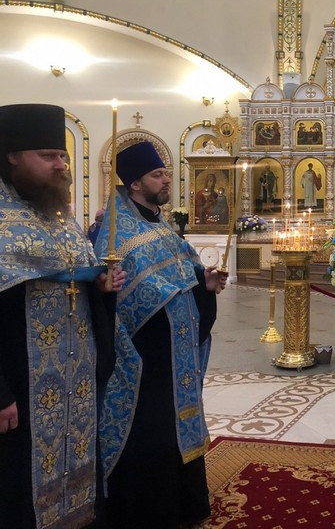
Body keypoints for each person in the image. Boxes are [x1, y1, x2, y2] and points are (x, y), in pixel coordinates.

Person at [0, 103, 123, 529]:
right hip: (18, 385)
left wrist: (101, 289)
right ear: (12, 156)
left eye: (62, 155)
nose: (60, 164)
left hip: (75, 381)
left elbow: (80, 282)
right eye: (48, 155)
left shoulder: (61, 219)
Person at [94, 141, 227, 528]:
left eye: (166, 173)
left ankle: (185, 504)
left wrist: (204, 283)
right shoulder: (115, 235)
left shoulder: (160, 224)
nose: (166, 179)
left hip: (175, 353)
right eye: (157, 175)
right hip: (142, 360)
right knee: (150, 434)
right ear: (135, 183)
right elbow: (112, 296)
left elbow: (182, 275)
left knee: (176, 427)